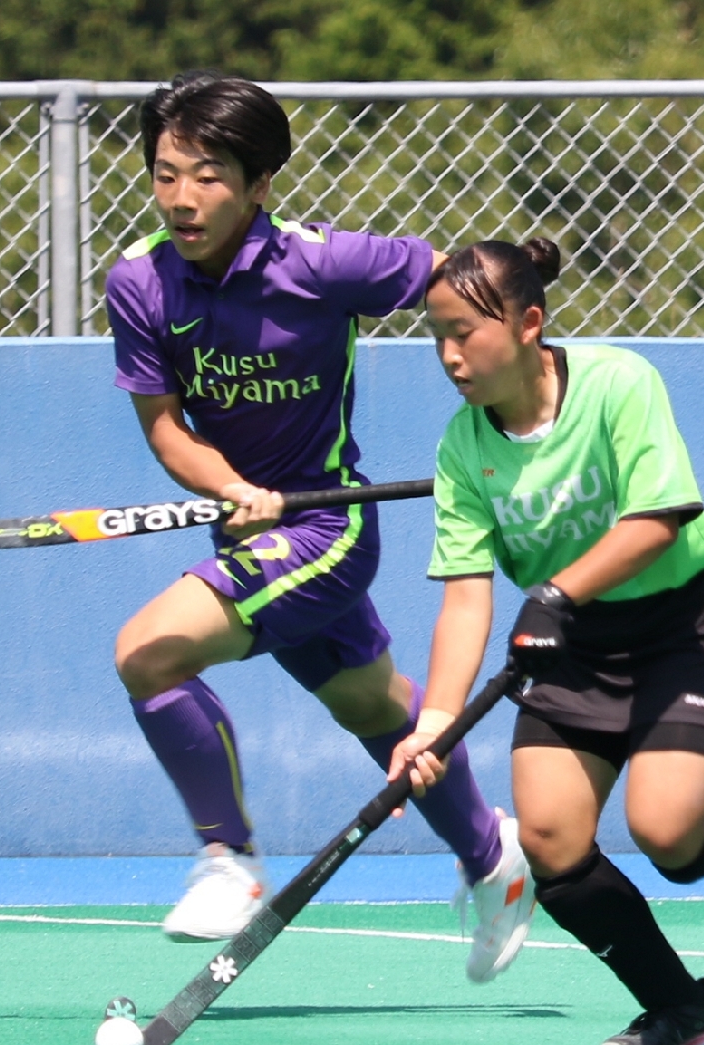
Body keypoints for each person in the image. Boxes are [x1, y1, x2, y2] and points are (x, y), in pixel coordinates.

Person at [104, 71, 534, 983]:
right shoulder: (139, 282)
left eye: (208, 176)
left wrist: (526, 392)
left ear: (259, 183)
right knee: (374, 709)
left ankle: (228, 860)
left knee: (147, 653)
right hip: (249, 531)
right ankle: (493, 860)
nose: (182, 198)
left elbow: (457, 283)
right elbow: (165, 429)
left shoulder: (323, 263)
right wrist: (231, 486)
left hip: (326, 528)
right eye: (166, 174)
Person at [392, 237, 704, 1045]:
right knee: (550, 844)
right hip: (570, 651)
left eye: (465, 332)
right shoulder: (462, 447)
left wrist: (555, 594)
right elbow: (466, 597)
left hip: (681, 629)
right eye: (437, 336)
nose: (449, 355)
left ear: (529, 324)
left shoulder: (618, 383)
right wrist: (434, 722)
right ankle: (680, 1008)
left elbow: (658, 519)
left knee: (668, 835)